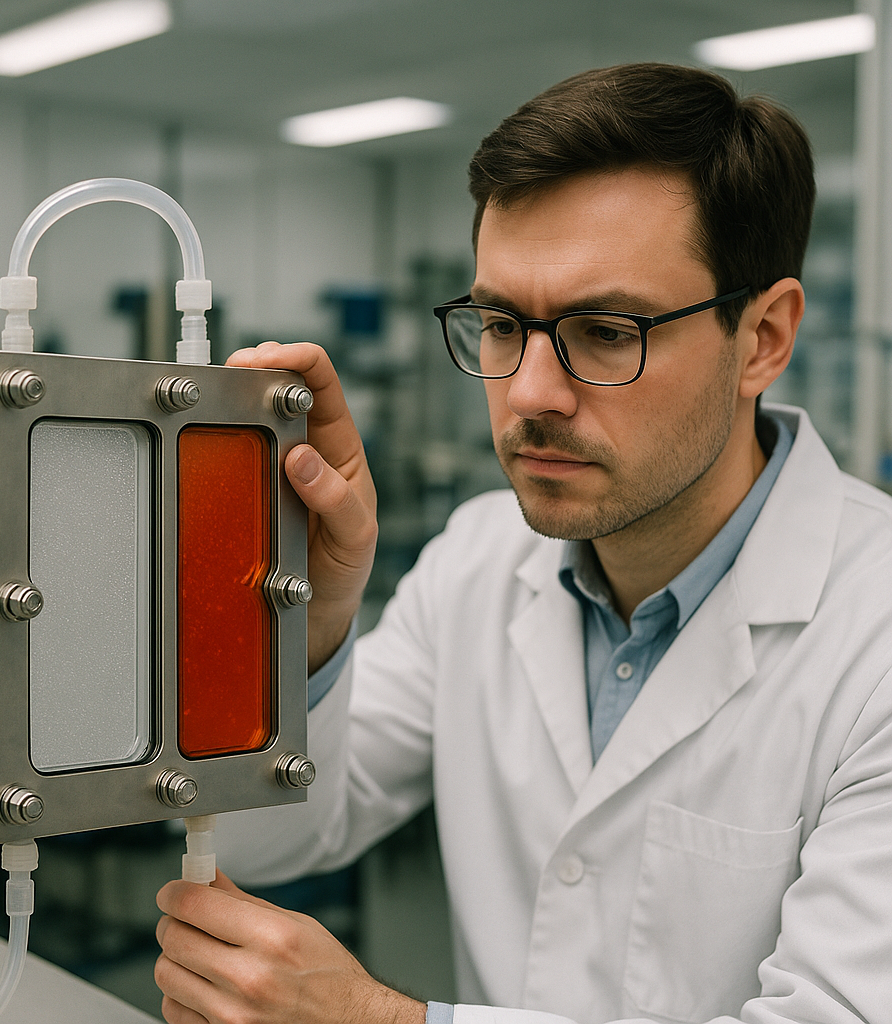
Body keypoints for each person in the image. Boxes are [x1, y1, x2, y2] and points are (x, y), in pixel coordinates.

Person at [153, 63, 892, 1024]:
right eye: (503, 324)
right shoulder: (478, 557)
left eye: (604, 330)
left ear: (762, 337)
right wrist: (312, 611)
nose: (531, 392)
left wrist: (382, 1021)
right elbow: (270, 842)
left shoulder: (871, 631)